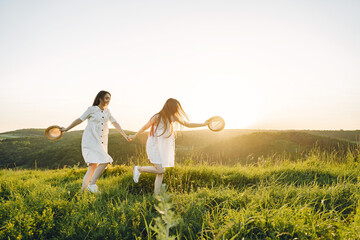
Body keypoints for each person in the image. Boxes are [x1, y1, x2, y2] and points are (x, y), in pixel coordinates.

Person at [128, 98, 210, 195]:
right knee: (160, 169)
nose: (177, 110)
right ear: (170, 107)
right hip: (154, 144)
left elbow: (188, 124)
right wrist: (134, 135)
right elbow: (145, 127)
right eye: (176, 108)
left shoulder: (173, 117)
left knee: (161, 172)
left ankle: (156, 195)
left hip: (164, 146)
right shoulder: (157, 116)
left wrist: (204, 124)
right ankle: (139, 169)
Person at [60, 90, 129, 193]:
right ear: (100, 98)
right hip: (90, 139)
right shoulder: (92, 109)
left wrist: (125, 136)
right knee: (105, 160)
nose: (108, 100)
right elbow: (79, 120)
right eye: (106, 98)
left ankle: (83, 191)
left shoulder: (107, 112)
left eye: (109, 99)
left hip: (100, 141)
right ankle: (92, 185)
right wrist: (66, 129)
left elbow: (115, 123)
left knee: (93, 166)